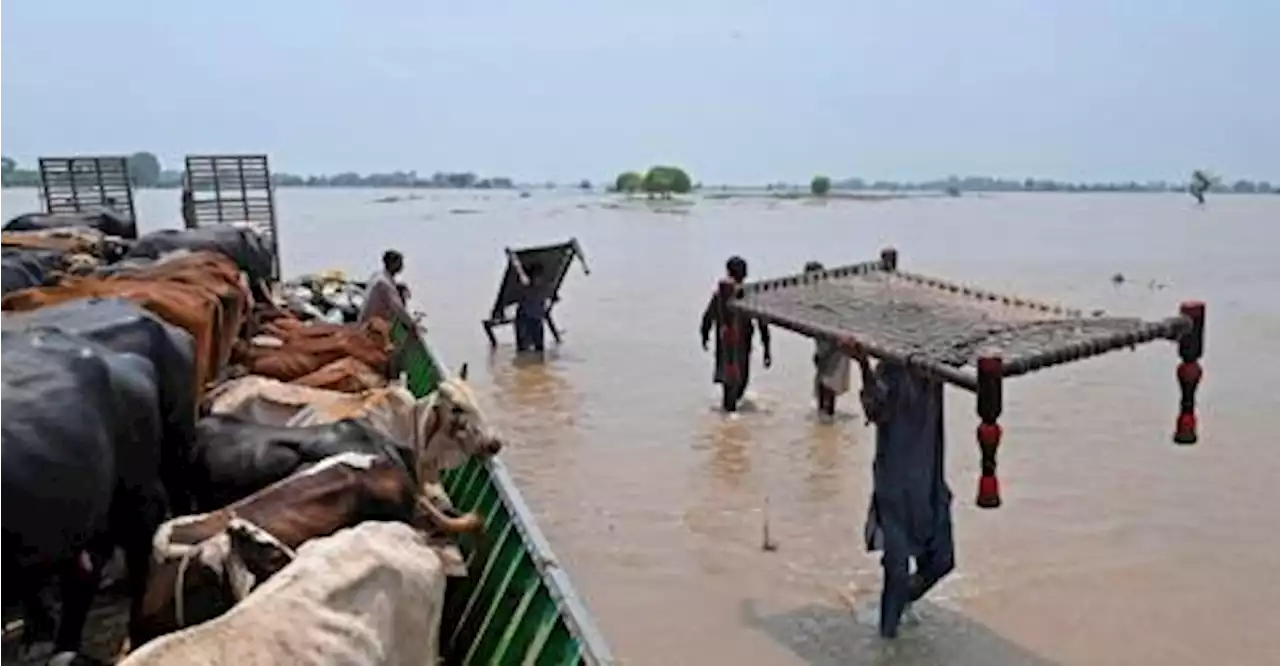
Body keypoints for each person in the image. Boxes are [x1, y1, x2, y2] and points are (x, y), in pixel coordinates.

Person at [841, 337, 955, 639]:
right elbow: (874, 409)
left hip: (930, 480)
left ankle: (901, 602)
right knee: (897, 571)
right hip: (895, 487)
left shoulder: (935, 369)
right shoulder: (891, 368)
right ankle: (886, 643)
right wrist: (863, 364)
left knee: (943, 561)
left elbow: (962, 359)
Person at [700, 255, 772, 412]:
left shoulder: (723, 295)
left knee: (732, 383)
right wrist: (767, 348)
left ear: (728, 272)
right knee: (737, 382)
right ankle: (730, 417)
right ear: (745, 274)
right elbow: (762, 324)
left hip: (728, 346)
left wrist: (704, 335)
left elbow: (707, 318)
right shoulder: (747, 295)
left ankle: (728, 418)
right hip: (736, 346)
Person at [805, 261, 851, 419]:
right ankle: (823, 422)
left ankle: (827, 421)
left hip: (836, 345)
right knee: (822, 384)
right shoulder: (813, 296)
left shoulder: (829, 295)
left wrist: (828, 351)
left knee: (828, 385)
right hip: (823, 346)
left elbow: (839, 323)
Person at [358, 249, 408, 324]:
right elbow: (399, 310)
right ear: (392, 263)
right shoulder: (384, 283)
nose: (402, 266)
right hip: (371, 324)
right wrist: (412, 326)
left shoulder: (378, 276)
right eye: (399, 262)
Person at [514, 262, 548, 353]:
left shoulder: (543, 289)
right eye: (537, 276)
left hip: (536, 320)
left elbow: (543, 303)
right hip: (524, 320)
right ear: (532, 277)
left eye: (540, 276)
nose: (539, 279)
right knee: (523, 350)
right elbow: (519, 272)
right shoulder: (526, 288)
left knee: (540, 349)